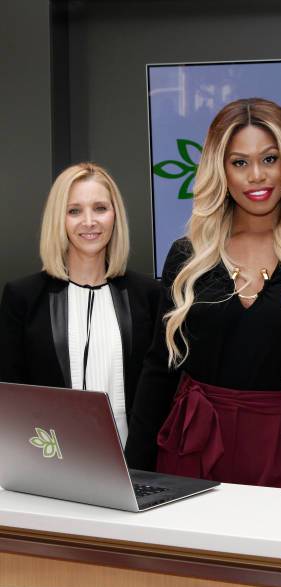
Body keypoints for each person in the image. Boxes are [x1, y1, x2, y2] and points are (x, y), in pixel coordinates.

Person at [125, 98, 281, 493]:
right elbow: (160, 368)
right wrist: (133, 471)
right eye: (239, 162)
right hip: (192, 446)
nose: (257, 175)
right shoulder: (188, 256)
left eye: (269, 159)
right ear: (221, 171)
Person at [0, 163, 161, 446]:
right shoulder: (23, 297)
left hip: (136, 465)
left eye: (100, 208)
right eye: (74, 210)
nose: (89, 221)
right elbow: (12, 396)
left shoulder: (148, 295)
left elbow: (158, 393)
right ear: (58, 219)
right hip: (50, 463)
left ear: (115, 216)